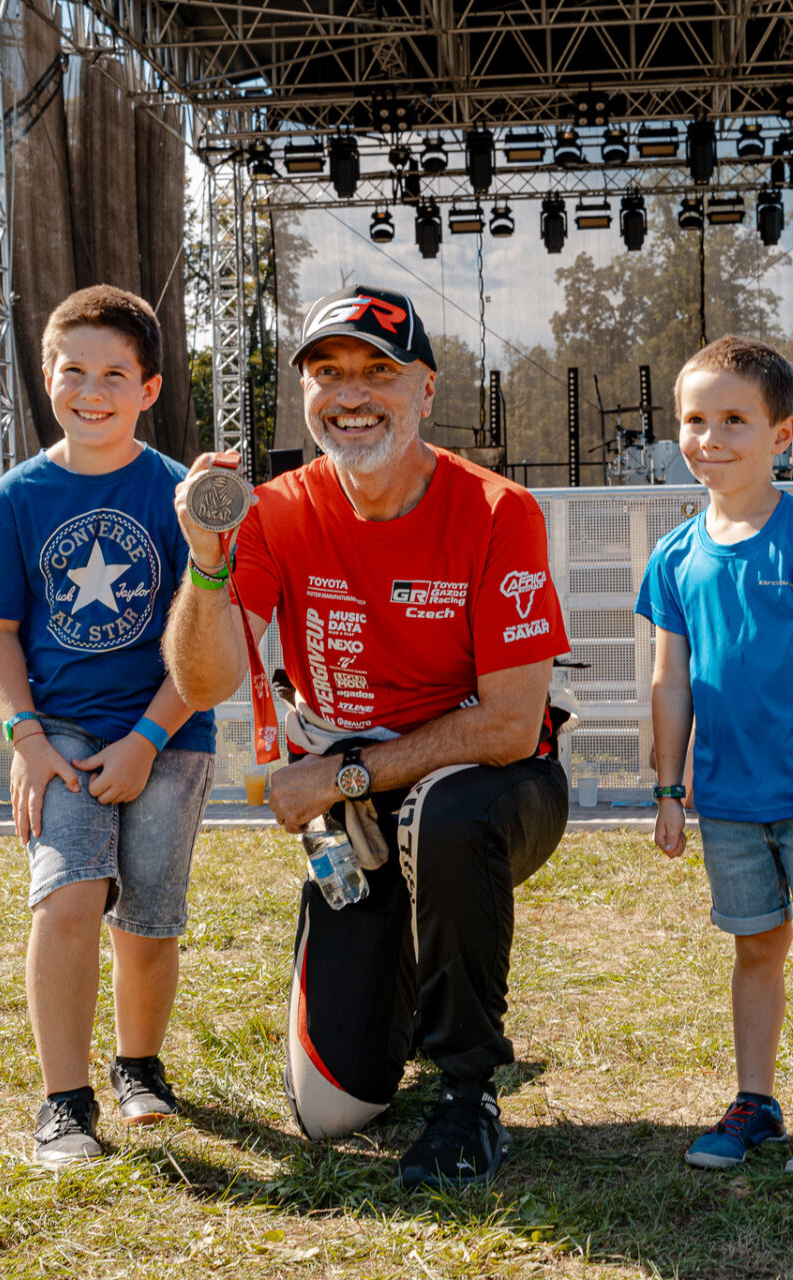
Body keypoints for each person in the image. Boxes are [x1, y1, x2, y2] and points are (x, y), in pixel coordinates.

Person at [162, 284, 570, 1189]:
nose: (350, 393)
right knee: (331, 1113)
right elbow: (203, 681)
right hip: (356, 812)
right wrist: (207, 560)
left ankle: (470, 1094)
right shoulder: (271, 510)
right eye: (327, 372)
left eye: (377, 373)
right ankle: (406, 966)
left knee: (446, 815)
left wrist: (342, 775)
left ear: (425, 389)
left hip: (494, 785)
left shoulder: (500, 511)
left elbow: (507, 725)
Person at [0, 285, 216, 1168]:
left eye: (115, 373)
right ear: (46, 376)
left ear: (149, 389)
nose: (91, 389)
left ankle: (139, 1067)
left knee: (148, 915)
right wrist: (26, 738)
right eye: (73, 370)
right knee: (67, 901)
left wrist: (147, 741)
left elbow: (213, 638)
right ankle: (63, 1105)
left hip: (168, 732)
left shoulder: (183, 495)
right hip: (58, 730)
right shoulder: (17, 498)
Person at [637, 336, 793, 1177]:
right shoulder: (673, 557)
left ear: (781, 437)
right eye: (695, 420)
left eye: (734, 419)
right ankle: (756, 1103)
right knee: (755, 949)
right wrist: (669, 788)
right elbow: (672, 685)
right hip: (727, 804)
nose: (710, 438)